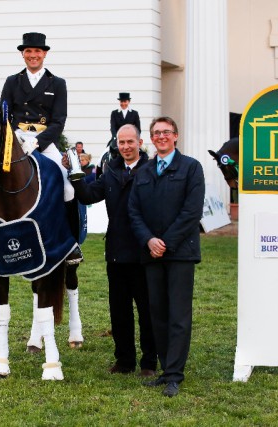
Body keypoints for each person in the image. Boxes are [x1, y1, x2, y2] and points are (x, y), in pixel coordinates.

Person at [0, 32, 82, 264]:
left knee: (67, 187)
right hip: (15, 140)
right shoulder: (12, 82)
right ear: (23, 54)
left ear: (44, 54)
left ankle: (70, 244)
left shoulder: (58, 84)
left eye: (37, 51)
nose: (33, 55)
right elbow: (4, 116)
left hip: (44, 142)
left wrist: (38, 142)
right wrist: (15, 138)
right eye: (29, 52)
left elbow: (59, 121)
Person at [63, 124, 157, 378]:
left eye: (130, 142)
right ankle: (124, 361)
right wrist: (75, 172)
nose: (125, 147)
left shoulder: (151, 169)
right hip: (116, 252)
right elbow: (88, 196)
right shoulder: (111, 171)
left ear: (139, 142)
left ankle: (149, 362)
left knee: (147, 311)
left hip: (144, 252)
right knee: (119, 310)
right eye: (121, 142)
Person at [128, 116, 205, 398]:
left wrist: (166, 243)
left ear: (176, 136)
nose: (161, 136)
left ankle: (174, 374)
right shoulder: (144, 172)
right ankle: (165, 369)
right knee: (157, 314)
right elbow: (133, 211)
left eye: (166, 132)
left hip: (180, 254)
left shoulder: (191, 168)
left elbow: (191, 212)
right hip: (152, 254)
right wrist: (149, 240)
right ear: (151, 138)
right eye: (156, 133)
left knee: (178, 316)